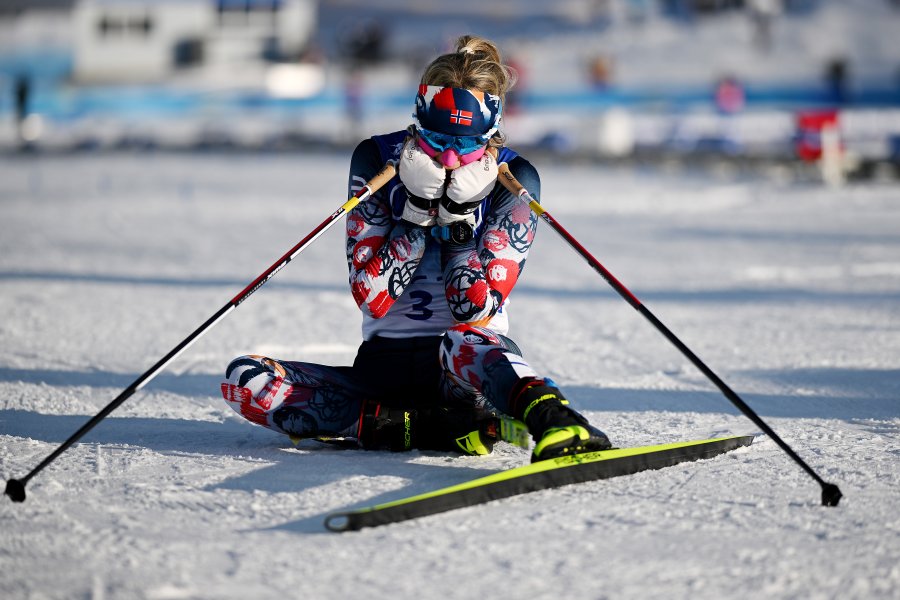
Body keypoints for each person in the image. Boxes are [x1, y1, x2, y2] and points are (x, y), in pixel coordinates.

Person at [221, 35, 612, 462]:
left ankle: (553, 420)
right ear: (418, 118)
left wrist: (459, 222)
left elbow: (474, 310)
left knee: (468, 340)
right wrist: (416, 215)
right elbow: (372, 299)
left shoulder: (514, 176)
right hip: (382, 369)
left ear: (492, 130)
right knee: (246, 378)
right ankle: (435, 428)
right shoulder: (377, 158)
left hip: (464, 371)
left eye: (465, 143)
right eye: (436, 139)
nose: (448, 159)